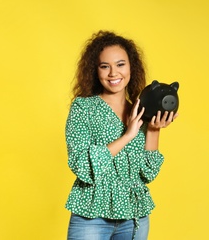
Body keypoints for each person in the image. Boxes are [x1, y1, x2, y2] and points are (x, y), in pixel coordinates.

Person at [65, 31, 178, 240]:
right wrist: (127, 135)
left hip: (134, 216)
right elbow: (82, 165)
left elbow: (147, 174)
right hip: (92, 216)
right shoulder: (83, 108)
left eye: (120, 64)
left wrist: (153, 130)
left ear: (131, 67)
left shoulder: (141, 110)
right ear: (95, 70)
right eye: (104, 66)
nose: (113, 73)